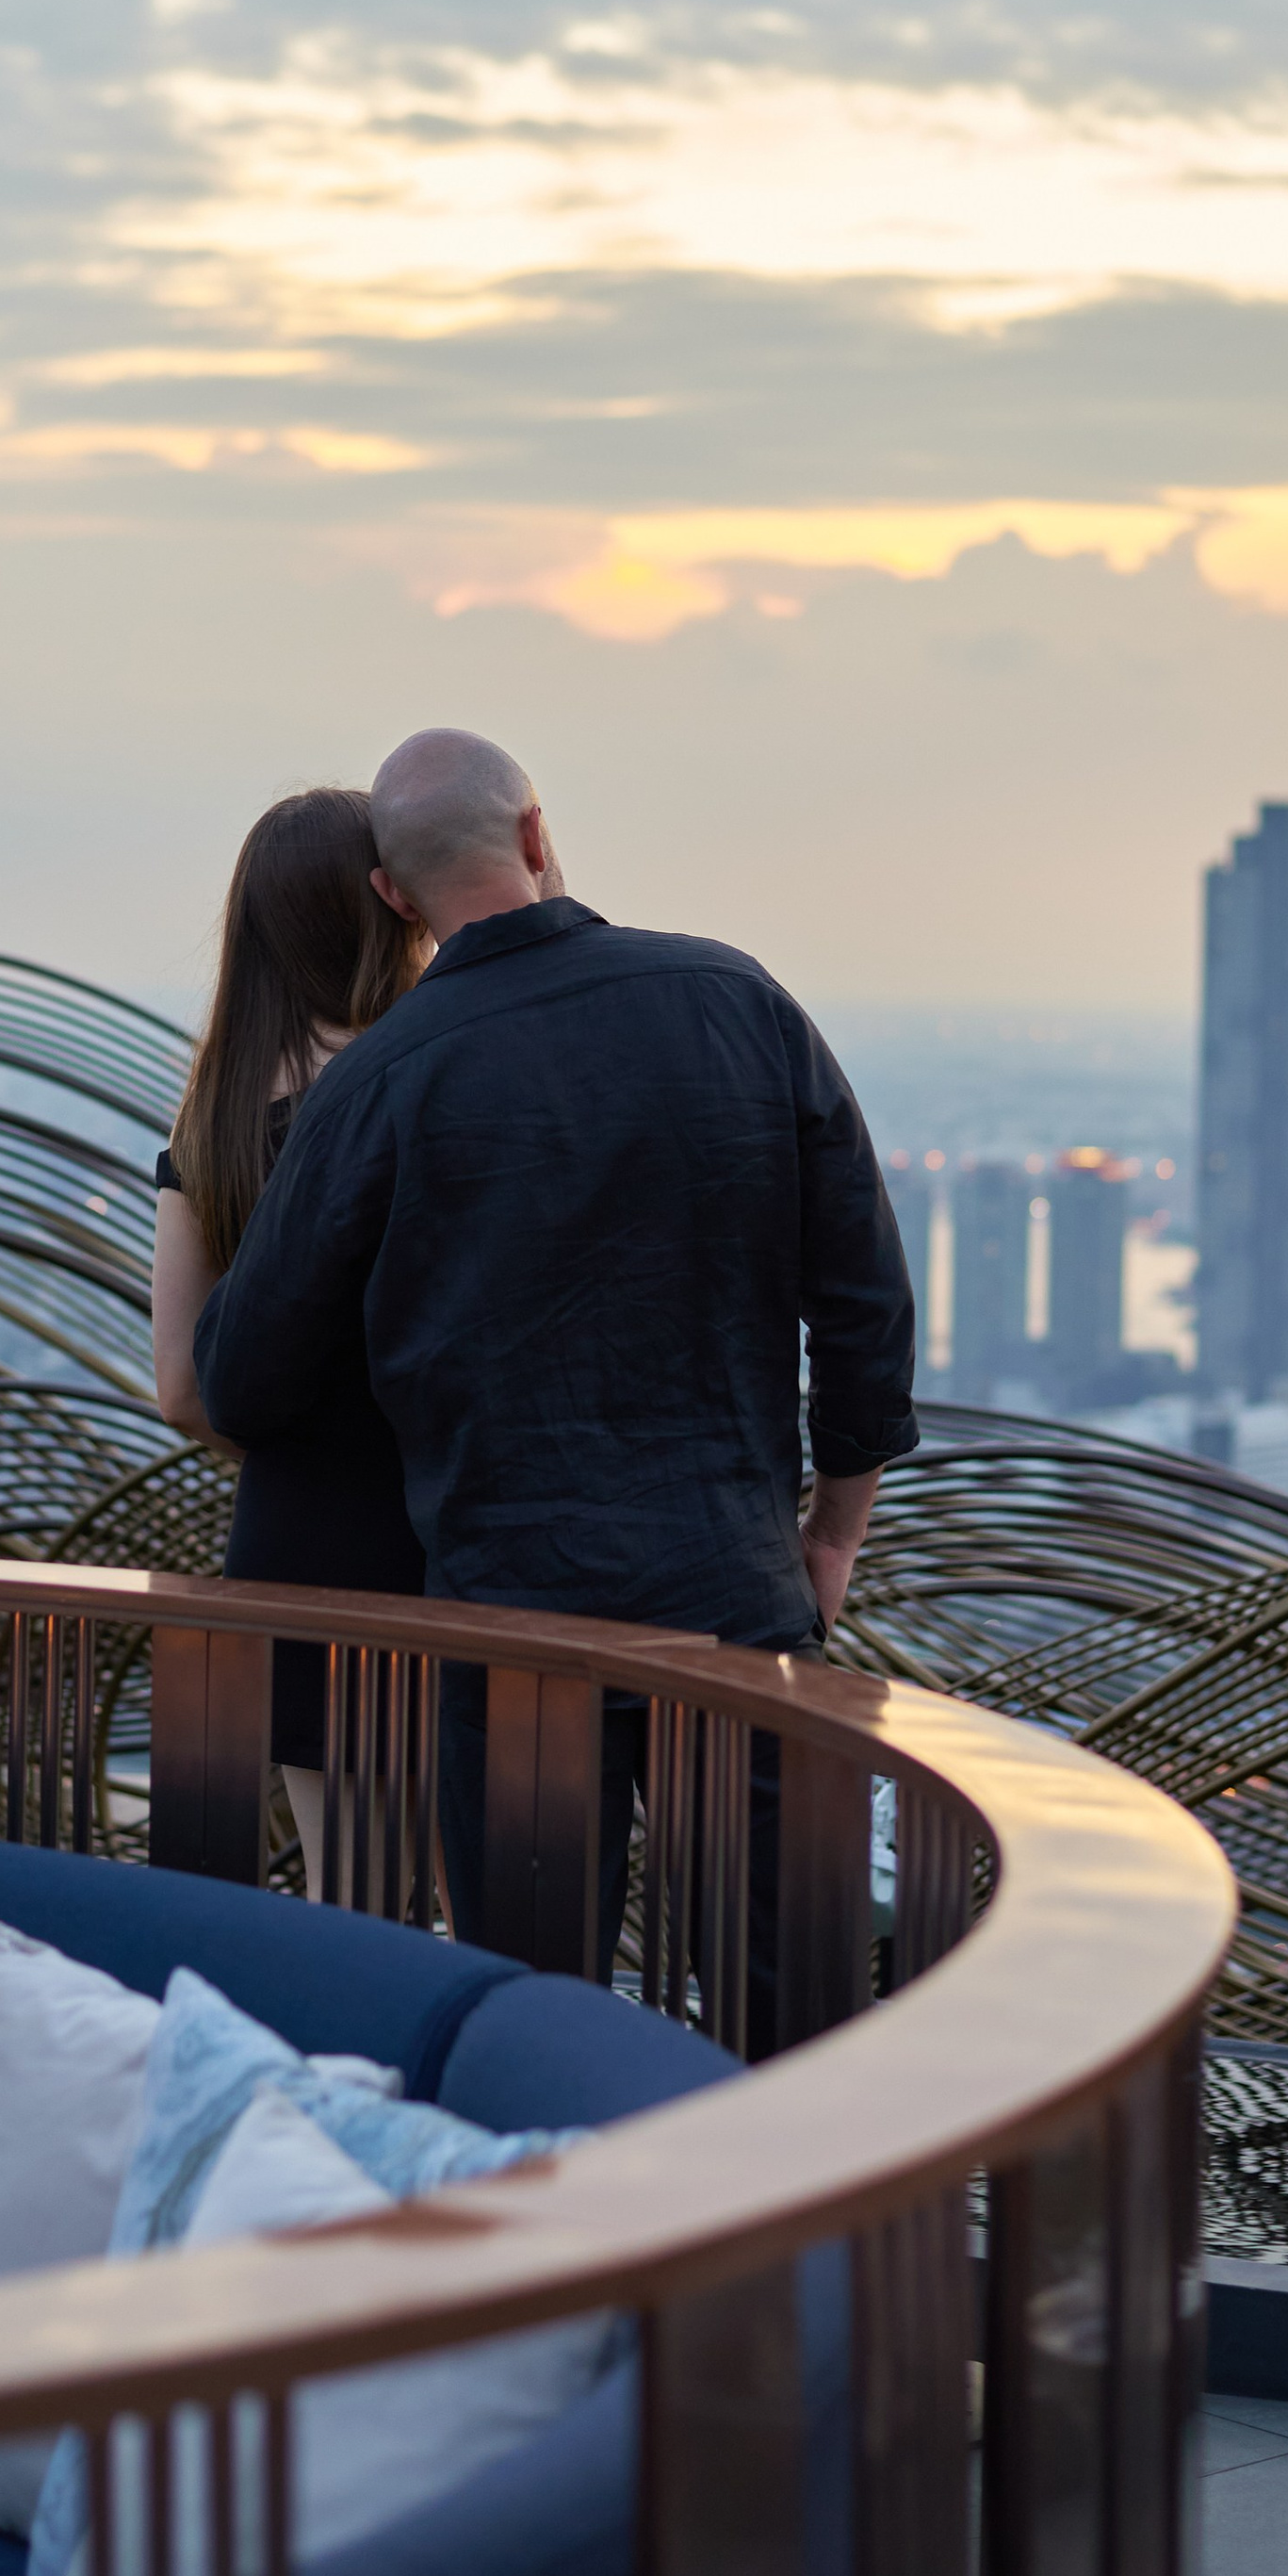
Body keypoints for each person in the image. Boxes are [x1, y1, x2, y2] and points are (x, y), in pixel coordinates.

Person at [193, 728, 918, 2039]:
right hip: (736, 1612)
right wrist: (831, 1535)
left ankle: (566, 2233)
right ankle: (783, 2238)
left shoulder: (380, 1083)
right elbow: (864, 1299)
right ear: (537, 833)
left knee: (533, 2026)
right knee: (779, 2017)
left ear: (394, 896)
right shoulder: (734, 998)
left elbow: (239, 1379)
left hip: (513, 1641)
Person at [152, 787, 430, 1881]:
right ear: (391, 904)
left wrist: (306, 1460)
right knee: (497, 1908)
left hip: (297, 1548)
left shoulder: (212, 1111)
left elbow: (179, 1387)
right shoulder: (430, 1077)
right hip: (456, 1541)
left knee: (349, 1893)